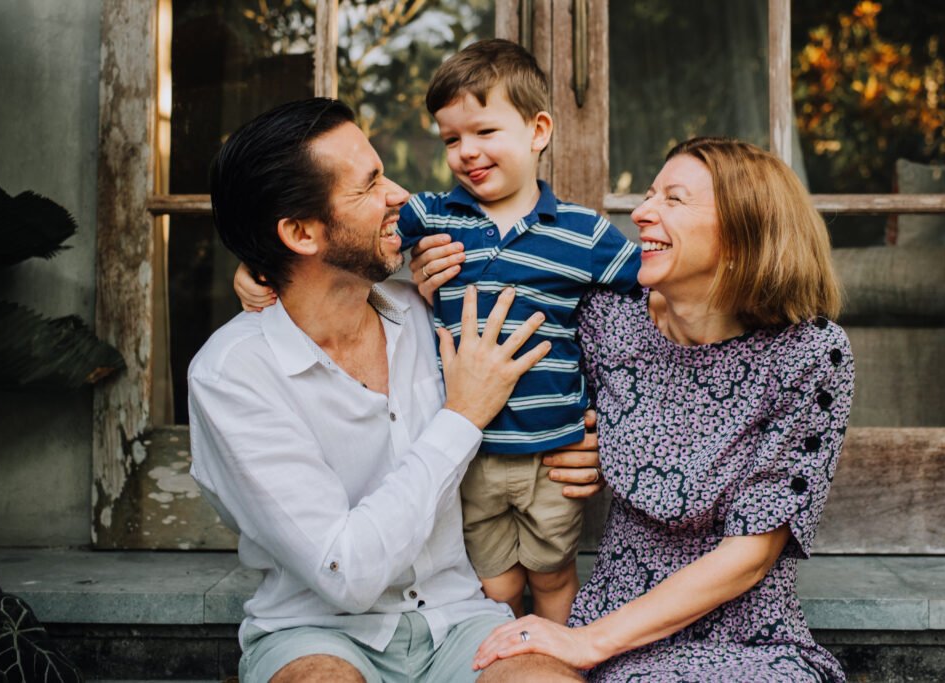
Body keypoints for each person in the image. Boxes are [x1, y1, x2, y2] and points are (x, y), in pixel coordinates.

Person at [412, 137, 854, 682]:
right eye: (649, 195)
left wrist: (587, 641)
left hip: (747, 638)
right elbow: (503, 354)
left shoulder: (809, 354)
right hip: (615, 620)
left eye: (673, 199)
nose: (641, 213)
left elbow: (752, 553)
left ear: (744, 237)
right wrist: (437, 284)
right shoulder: (606, 320)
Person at [190, 97, 598, 683]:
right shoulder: (232, 375)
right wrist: (462, 416)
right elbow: (346, 574)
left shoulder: (435, 309)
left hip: (463, 620)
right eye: (370, 184)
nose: (400, 195)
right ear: (301, 232)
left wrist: (587, 445)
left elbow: (568, 347)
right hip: (316, 630)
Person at [235, 38, 641, 625]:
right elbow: (339, 238)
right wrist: (258, 267)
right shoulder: (433, 217)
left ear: (538, 131)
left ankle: (560, 654)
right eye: (451, 139)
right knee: (496, 582)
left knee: (553, 573)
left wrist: (622, 424)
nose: (466, 151)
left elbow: (654, 295)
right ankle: (503, 653)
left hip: (553, 454)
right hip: (470, 454)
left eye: (485, 131)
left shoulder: (583, 233)